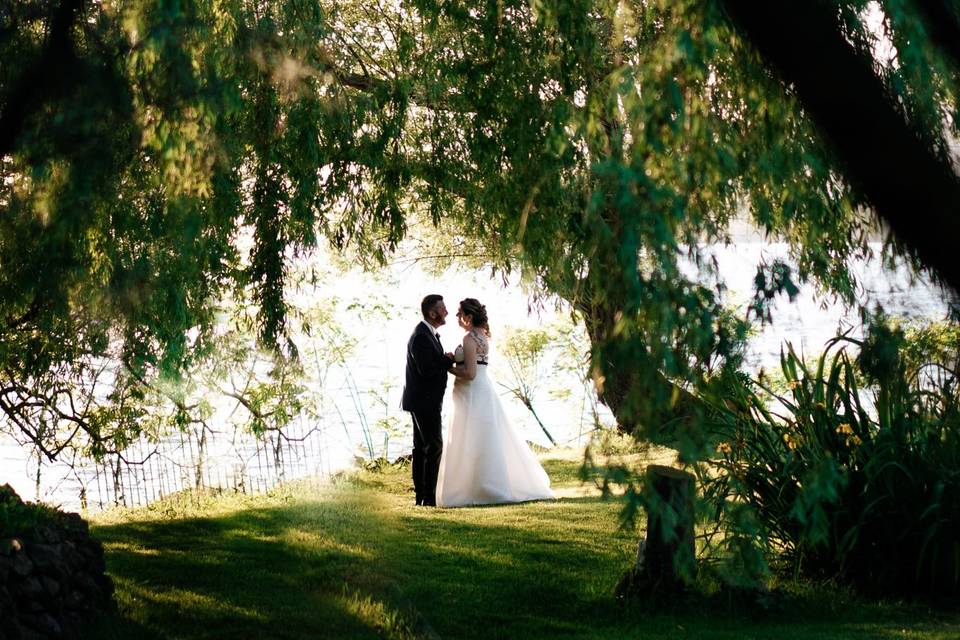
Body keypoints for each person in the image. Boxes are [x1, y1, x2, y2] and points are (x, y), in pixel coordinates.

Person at [436, 298, 555, 507]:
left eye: (459, 313)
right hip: (483, 390)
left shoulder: (469, 338)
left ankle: (475, 489)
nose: (456, 316)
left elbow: (470, 373)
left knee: (469, 438)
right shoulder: (482, 336)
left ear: (469, 317)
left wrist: (447, 366)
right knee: (484, 437)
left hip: (471, 391)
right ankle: (484, 485)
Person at [401, 294, 455, 506]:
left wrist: (444, 359)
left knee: (423, 448)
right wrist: (447, 360)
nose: (446, 312)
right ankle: (428, 498)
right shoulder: (422, 336)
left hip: (422, 400)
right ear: (432, 313)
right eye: (443, 309)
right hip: (424, 401)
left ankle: (422, 497)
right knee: (433, 446)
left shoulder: (428, 334)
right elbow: (427, 370)